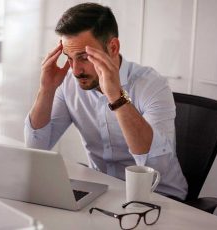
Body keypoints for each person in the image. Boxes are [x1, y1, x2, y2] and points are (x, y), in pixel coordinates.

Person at [24, 2, 188, 200]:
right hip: (104, 192)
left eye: (84, 57)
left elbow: (153, 167)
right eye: (69, 58)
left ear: (112, 47)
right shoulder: (69, 83)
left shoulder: (151, 85)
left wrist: (116, 96)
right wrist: (46, 89)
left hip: (159, 197)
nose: (75, 70)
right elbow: (36, 150)